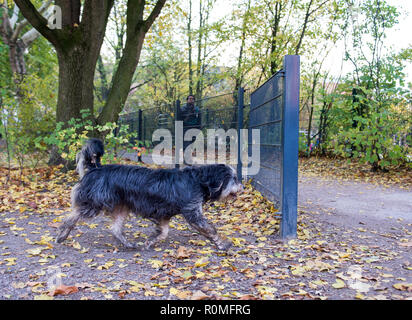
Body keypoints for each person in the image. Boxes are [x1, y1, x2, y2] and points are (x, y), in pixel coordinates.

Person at [180, 95, 201, 164]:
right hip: (185, 127)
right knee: (187, 143)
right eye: (189, 99)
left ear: (194, 100)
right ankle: (187, 160)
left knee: (191, 143)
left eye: (192, 99)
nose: (191, 100)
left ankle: (186, 159)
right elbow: (180, 118)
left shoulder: (197, 109)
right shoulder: (183, 108)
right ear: (187, 100)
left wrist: (199, 128)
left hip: (194, 128)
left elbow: (199, 119)